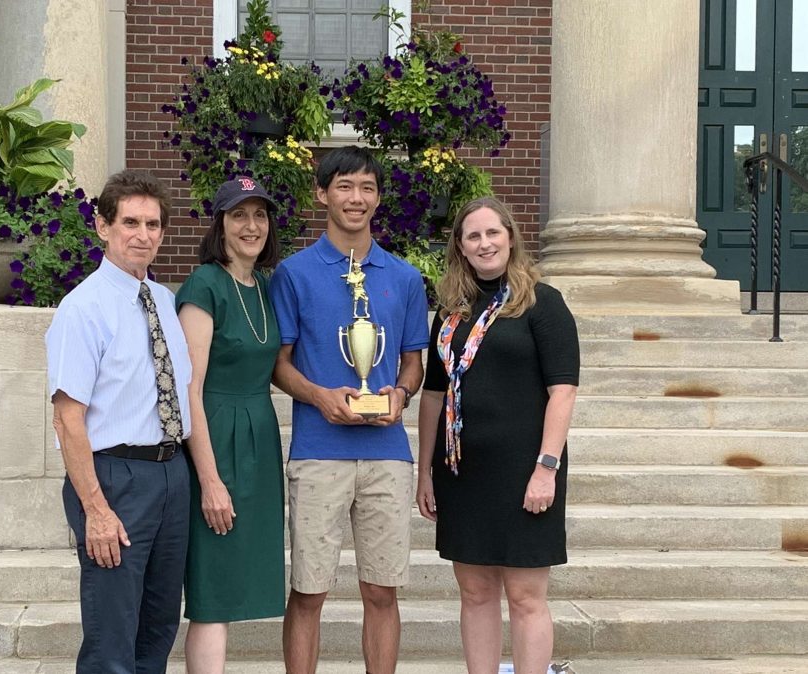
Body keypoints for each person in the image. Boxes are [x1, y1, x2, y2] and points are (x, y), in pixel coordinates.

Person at [269, 146, 429, 674]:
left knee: (382, 591)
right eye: (343, 186)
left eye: (366, 188)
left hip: (388, 454)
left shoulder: (403, 277)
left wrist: (401, 396)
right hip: (319, 453)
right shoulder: (293, 273)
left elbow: (413, 363)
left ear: (378, 198)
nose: (355, 198)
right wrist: (320, 396)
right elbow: (279, 365)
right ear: (322, 193)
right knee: (309, 592)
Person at [415, 197, 579, 674]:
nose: (484, 243)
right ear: (461, 248)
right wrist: (425, 470)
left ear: (510, 237)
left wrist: (545, 469)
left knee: (526, 598)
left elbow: (563, 391)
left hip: (526, 472)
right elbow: (432, 394)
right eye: (473, 236)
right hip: (463, 474)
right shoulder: (451, 312)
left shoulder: (542, 303)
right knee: (475, 593)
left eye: (493, 233)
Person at [46, 170, 193, 673]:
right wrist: (96, 509)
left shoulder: (166, 303)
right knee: (113, 633)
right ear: (103, 226)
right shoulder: (82, 309)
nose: (143, 234)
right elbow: (68, 419)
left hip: (172, 474)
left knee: (158, 627)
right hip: (115, 478)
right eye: (130, 222)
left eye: (153, 224)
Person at [175, 177, 284, 673]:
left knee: (237, 581)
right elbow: (189, 388)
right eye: (239, 215)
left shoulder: (265, 284)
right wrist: (210, 480)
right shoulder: (204, 283)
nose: (251, 226)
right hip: (216, 434)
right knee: (213, 588)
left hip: (259, 436)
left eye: (259, 215)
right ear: (220, 223)